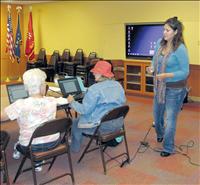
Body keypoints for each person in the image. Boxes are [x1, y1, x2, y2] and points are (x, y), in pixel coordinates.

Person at [1, 68, 68, 171]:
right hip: (54, 142)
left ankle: (22, 151)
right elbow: (63, 100)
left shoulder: (20, 104)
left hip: (31, 147)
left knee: (18, 142)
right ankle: (38, 162)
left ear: (26, 87)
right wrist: (69, 99)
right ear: (42, 87)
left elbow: (2, 117)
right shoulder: (52, 100)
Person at [147, 17, 189, 157]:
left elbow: (184, 72)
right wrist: (151, 68)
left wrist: (167, 75)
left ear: (175, 32)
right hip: (160, 87)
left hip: (175, 89)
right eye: (163, 29)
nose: (164, 32)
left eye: (167, 30)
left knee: (169, 120)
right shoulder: (160, 43)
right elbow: (154, 61)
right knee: (157, 115)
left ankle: (168, 147)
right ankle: (160, 133)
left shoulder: (180, 49)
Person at [67, 60, 126, 152]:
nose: (93, 73)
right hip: (118, 124)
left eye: (95, 72)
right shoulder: (118, 85)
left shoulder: (94, 89)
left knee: (75, 123)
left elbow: (84, 110)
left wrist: (72, 102)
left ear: (101, 74)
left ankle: (74, 149)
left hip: (102, 127)